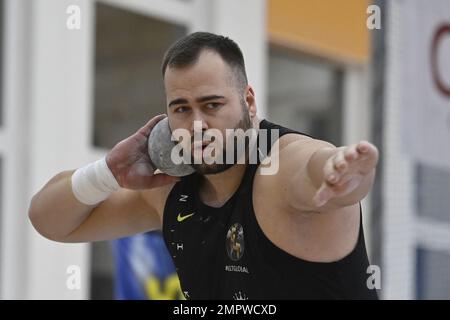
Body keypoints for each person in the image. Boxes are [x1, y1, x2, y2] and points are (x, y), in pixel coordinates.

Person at [29, 32, 379, 299]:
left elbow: (313, 168)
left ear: (249, 103)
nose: (197, 125)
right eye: (181, 109)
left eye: (212, 105)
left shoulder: (278, 167)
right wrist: (107, 173)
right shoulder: (168, 190)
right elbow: (49, 221)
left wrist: (339, 173)